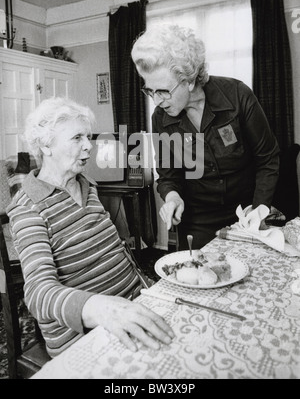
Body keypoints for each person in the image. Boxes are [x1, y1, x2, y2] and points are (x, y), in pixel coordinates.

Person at [7, 97, 174, 358]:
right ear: (46, 146)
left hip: (134, 303)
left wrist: (147, 287)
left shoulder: (87, 184)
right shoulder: (28, 208)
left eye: (88, 137)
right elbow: (39, 293)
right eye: (77, 138)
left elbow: (114, 251)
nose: (88, 146)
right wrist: (99, 308)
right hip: (86, 336)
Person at [131, 24, 280, 250]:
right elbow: (168, 175)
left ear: (189, 81)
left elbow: (267, 159)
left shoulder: (238, 96)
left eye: (163, 91)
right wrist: (172, 197)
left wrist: (259, 210)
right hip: (197, 221)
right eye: (150, 91)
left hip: (247, 212)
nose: (157, 100)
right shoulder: (160, 119)